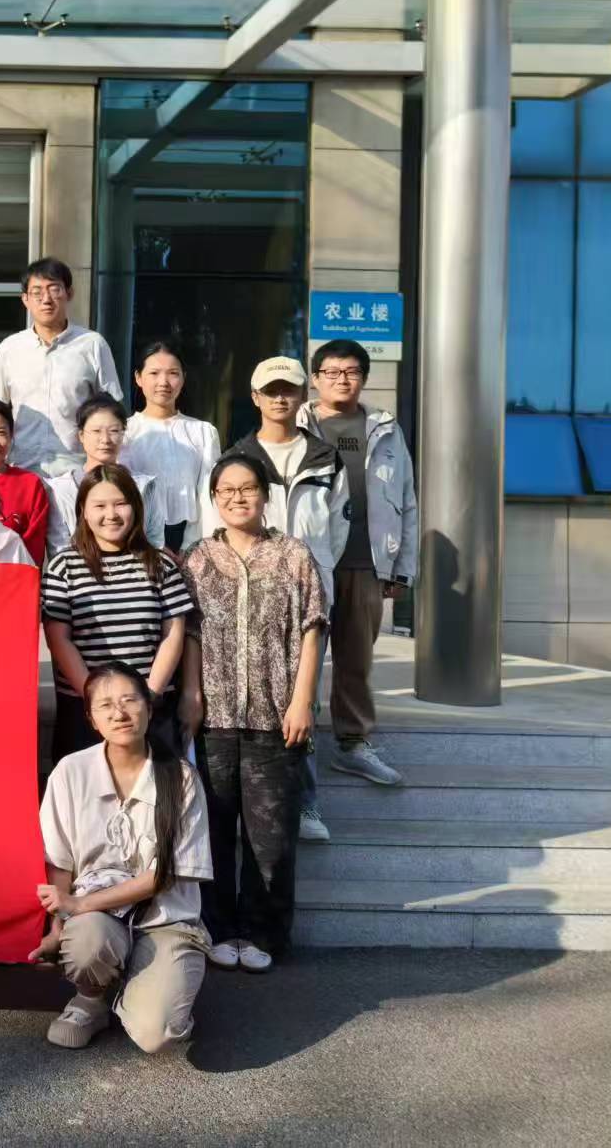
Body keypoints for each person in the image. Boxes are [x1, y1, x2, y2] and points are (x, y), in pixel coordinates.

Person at [179, 453, 326, 974]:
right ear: (213, 499)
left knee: (271, 839)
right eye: (226, 490)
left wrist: (302, 699)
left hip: (275, 715)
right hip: (214, 719)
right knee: (214, 833)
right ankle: (220, 929)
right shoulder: (196, 558)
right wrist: (191, 694)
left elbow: (313, 628)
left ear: (265, 495)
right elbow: (189, 632)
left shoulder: (293, 555)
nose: (237, 497)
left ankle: (265, 933)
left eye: (248, 488)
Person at [32, 662, 211, 1053]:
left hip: (165, 920)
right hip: (98, 920)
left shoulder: (180, 777)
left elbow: (165, 875)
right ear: (91, 719)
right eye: (105, 705)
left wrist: (79, 903)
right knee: (86, 941)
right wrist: (58, 928)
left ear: (148, 705)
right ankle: (90, 999)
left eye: (130, 700)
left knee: (158, 1034)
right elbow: (59, 861)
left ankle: (144, 982)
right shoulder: (70, 771)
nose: (119, 713)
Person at [204, 356, 347, 844]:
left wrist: (312, 567)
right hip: (242, 591)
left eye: (288, 389)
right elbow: (219, 519)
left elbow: (339, 525)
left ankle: (304, 801)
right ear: (255, 397)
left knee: (302, 698)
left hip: (303, 591)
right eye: (271, 390)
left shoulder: (325, 457)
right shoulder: (237, 456)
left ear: (302, 395)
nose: (280, 398)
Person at [299, 339, 418, 789]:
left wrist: (402, 567)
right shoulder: (296, 423)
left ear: (364, 378)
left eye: (351, 371)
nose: (341, 379)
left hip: (365, 562)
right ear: (315, 379)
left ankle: (352, 743)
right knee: (300, 657)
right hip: (307, 562)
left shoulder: (384, 429)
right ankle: (298, 742)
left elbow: (406, 500)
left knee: (355, 659)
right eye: (331, 372)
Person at [41, 465, 193, 766]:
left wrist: (148, 696)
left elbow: (173, 635)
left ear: (136, 508)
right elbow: (59, 639)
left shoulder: (161, 564)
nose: (111, 514)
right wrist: (97, 700)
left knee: (157, 790)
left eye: (120, 503)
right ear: (83, 512)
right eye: (99, 506)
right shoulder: (63, 567)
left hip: (151, 707)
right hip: (83, 709)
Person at [0, 257, 122, 474]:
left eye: (54, 289)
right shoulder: (9, 349)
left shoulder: (92, 344)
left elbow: (112, 409)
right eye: (37, 292)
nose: (46, 299)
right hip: (21, 468)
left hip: (78, 469)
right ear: (25, 299)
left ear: (69, 293)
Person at [121, 341, 221, 555]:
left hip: (191, 539)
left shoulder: (203, 432)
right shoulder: (125, 432)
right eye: (154, 373)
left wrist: (193, 547)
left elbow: (208, 494)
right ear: (138, 378)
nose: (163, 382)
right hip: (137, 539)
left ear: (183, 378)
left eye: (173, 373)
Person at [49, 395, 166, 553]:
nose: (105, 439)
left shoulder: (145, 486)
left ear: (123, 434)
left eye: (114, 431)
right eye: (96, 431)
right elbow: (59, 548)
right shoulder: (60, 489)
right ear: (81, 436)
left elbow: (154, 542)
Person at [0, 399, 52, 565]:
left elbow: (34, 547)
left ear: (12, 436)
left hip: (15, 573)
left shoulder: (29, 484)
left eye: (1, 433)